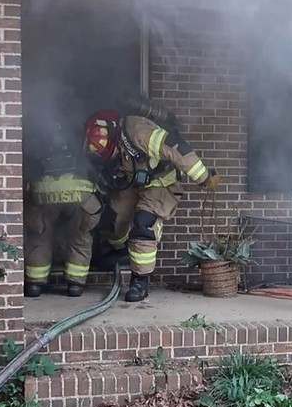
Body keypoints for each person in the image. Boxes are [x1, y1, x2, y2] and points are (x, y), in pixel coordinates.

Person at [80, 108, 220, 302]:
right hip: (134, 184)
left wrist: (204, 177)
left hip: (161, 183)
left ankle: (140, 281)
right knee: (112, 217)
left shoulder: (138, 133)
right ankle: (121, 251)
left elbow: (176, 148)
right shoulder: (110, 146)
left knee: (144, 223)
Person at [23, 141, 96, 298]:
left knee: (40, 236)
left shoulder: (40, 141)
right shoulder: (81, 141)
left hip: (44, 192)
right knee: (79, 236)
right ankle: (75, 285)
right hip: (80, 193)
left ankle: (35, 284)